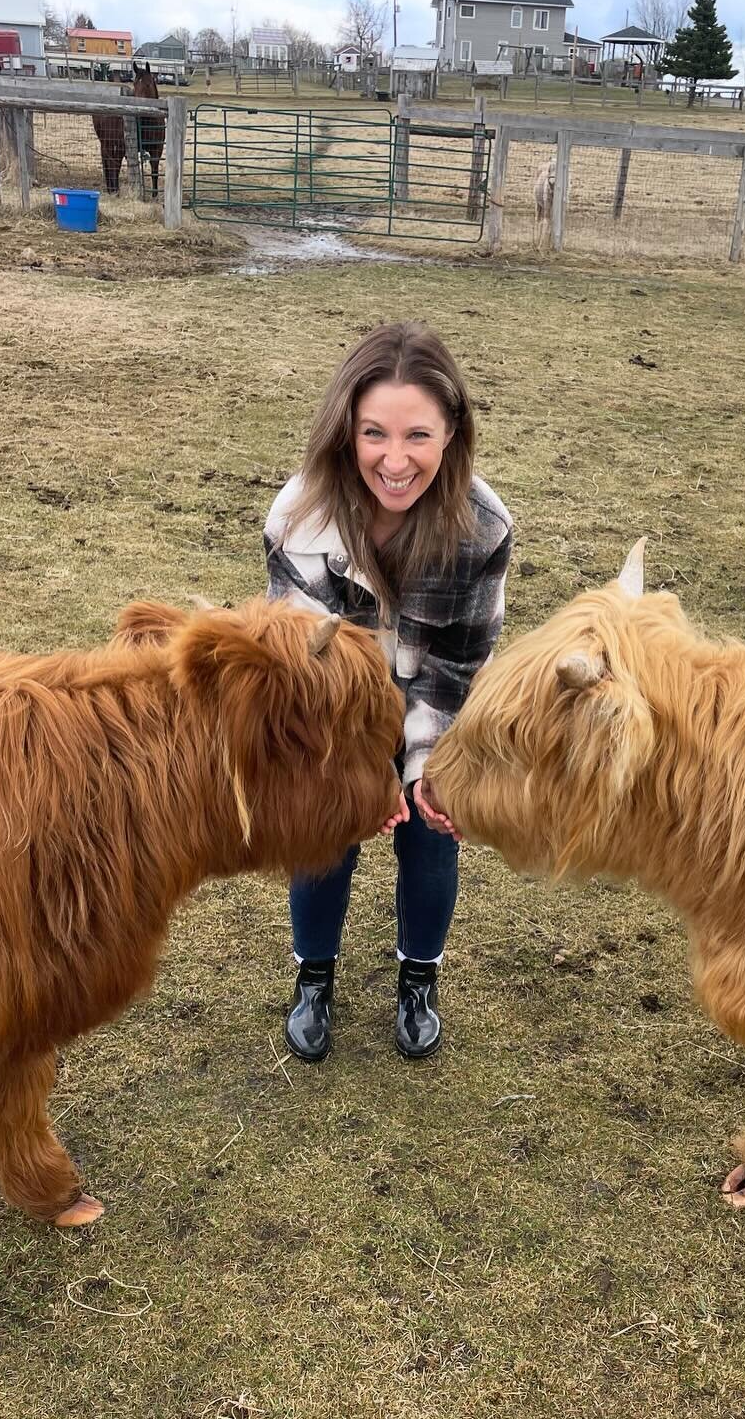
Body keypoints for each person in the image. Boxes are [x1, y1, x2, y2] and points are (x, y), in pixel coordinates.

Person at [264, 321, 512, 1062]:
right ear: (346, 430)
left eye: (418, 437)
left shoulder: (483, 529)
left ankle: (419, 977)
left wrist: (421, 770)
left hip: (435, 707)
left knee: (434, 830)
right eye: (374, 433)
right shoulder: (296, 518)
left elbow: (458, 665)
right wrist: (361, 771)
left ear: (452, 434)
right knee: (324, 833)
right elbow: (308, 670)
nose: (395, 461)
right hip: (332, 716)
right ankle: (314, 975)